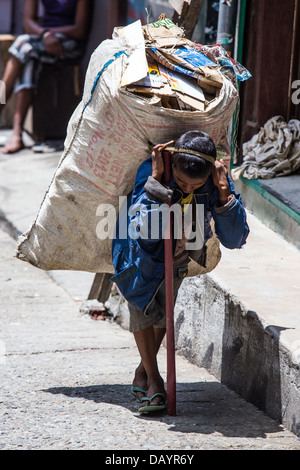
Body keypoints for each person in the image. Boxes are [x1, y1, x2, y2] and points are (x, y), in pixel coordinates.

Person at [111, 130, 250, 413]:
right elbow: (144, 232)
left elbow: (235, 239)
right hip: (137, 252)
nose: (187, 190)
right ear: (171, 164)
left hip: (178, 254)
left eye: (194, 186)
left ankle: (143, 371)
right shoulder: (152, 170)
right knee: (141, 306)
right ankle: (155, 382)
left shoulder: (215, 181)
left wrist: (224, 193)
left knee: (163, 313)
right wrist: (157, 185)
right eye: (182, 182)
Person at [0, 0, 91, 154]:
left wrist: (50, 34)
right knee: (27, 58)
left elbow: (79, 30)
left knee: (22, 45)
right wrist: (44, 34)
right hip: (41, 39)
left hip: (67, 44)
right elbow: (28, 23)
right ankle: (17, 133)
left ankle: (13, 129)